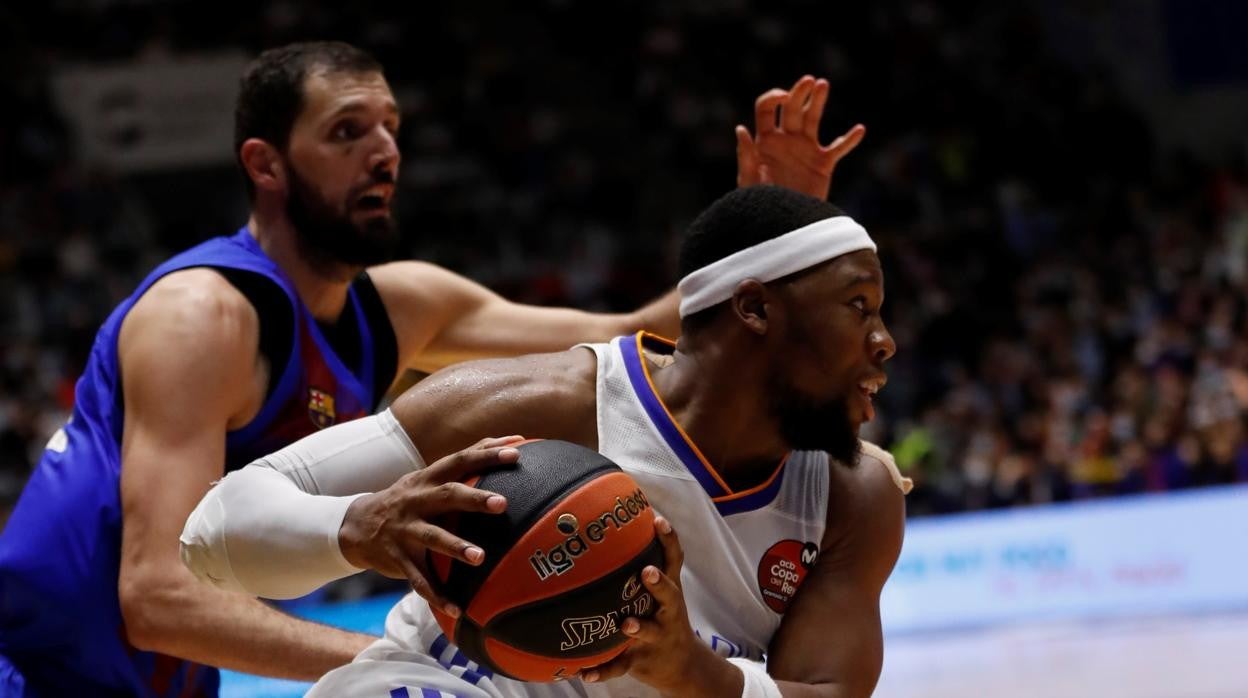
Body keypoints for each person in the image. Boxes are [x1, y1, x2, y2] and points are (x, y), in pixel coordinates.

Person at [0, 38, 865, 697]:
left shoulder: (400, 303)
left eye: (391, 130)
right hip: (42, 665)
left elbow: (636, 337)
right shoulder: (204, 315)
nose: (385, 153)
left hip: (161, 674)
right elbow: (154, 594)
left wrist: (773, 240)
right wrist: (454, 666)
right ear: (265, 164)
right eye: (347, 133)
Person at [182, 184, 911, 698]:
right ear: (754, 307)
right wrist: (356, 525)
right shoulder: (547, 402)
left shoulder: (855, 497)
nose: (885, 343)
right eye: (859, 308)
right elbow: (213, 531)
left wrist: (691, 671)